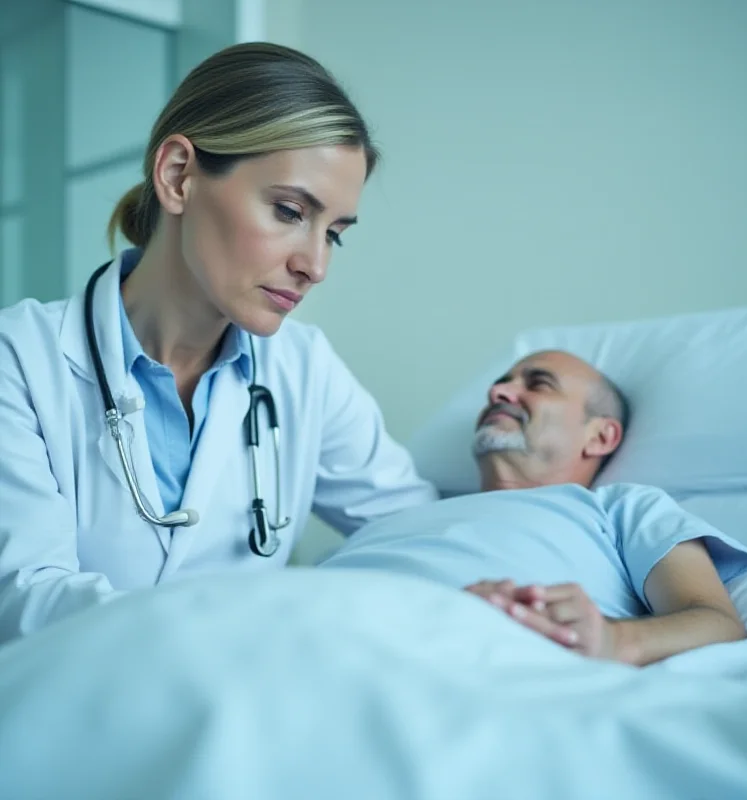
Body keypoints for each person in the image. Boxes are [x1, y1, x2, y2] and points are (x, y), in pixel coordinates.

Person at [0, 43, 437, 644]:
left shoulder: (304, 369)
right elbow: (24, 598)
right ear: (179, 176)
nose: (315, 265)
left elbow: (420, 533)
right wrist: (271, 624)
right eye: (289, 211)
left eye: (335, 234)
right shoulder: (19, 360)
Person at [320, 350, 747, 666]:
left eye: (537, 383)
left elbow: (715, 623)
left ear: (600, 437)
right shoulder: (396, 519)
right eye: (501, 382)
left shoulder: (625, 508)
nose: (499, 392)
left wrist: (615, 641)